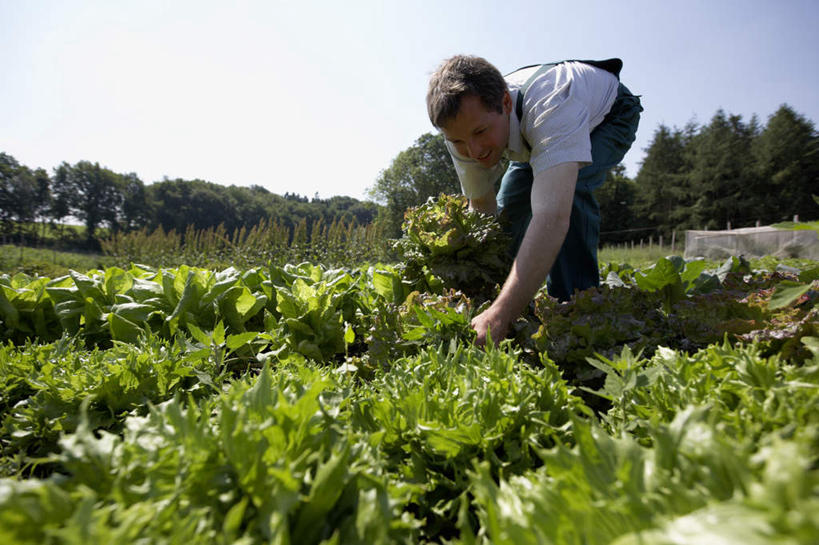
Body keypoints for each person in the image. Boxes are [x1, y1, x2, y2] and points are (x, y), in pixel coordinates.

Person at [426, 55, 642, 346]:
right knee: (506, 220)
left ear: (504, 104)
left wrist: (501, 315)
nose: (473, 151)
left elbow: (552, 217)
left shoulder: (552, 106)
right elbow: (483, 211)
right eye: (459, 142)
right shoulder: (462, 127)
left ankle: (574, 312)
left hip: (607, 116)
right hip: (529, 135)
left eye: (480, 133)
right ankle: (500, 301)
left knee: (570, 191)